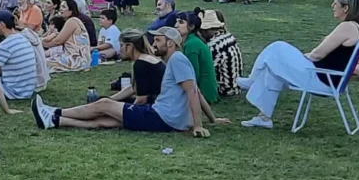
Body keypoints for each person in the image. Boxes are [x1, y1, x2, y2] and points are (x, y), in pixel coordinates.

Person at [31, 26, 219, 136]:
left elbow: (192, 91)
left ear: (170, 43)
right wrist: (212, 119)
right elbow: (196, 90)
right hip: (167, 118)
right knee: (107, 120)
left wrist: (198, 125)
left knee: (104, 105)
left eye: (158, 40)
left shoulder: (177, 59)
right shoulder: (175, 60)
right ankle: (56, 120)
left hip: (162, 116)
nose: (154, 44)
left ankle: (54, 111)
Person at [237, 0, 359, 129]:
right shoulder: (357, 28)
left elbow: (317, 54)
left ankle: (252, 80)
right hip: (329, 78)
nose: (332, 6)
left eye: (336, 3)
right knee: (274, 67)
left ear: (345, 8)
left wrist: (301, 57)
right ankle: (264, 118)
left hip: (321, 79)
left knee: (277, 47)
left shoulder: (347, 27)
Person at [0, 11, 41, 99]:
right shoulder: (23, 39)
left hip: (12, 91)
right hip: (27, 90)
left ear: (2, 25)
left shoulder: (5, 45)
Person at [107, 30, 165, 104]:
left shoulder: (141, 64)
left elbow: (141, 100)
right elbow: (133, 89)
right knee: (112, 101)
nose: (120, 49)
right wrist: (108, 99)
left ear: (130, 46)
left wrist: (131, 109)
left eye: (121, 45)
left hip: (155, 105)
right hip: (158, 102)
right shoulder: (146, 59)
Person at [175, 10, 218, 103]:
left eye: (181, 22)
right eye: (176, 22)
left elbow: (193, 75)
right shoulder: (193, 40)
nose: (176, 25)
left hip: (203, 94)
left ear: (191, 26)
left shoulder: (192, 44)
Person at [41, 0, 92, 74]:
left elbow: (58, 41)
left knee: (41, 63)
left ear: (71, 11)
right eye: (61, 7)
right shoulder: (71, 21)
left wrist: (42, 44)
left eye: (64, 7)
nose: (61, 9)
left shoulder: (72, 21)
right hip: (79, 59)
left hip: (77, 60)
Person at [198, 9, 242, 97]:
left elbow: (206, 71)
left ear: (207, 29)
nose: (200, 33)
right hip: (236, 85)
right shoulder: (228, 36)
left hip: (225, 89)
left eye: (201, 31)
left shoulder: (213, 45)